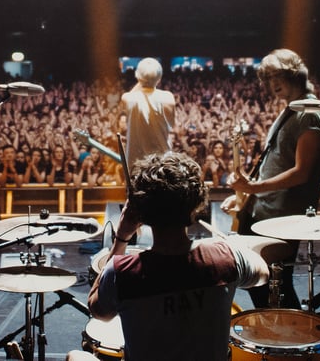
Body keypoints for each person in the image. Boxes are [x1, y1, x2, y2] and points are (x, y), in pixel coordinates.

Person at [68, 151, 269, 361]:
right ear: (196, 206)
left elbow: (99, 311)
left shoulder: (122, 271)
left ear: (140, 211)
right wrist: (231, 245)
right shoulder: (226, 257)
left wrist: (122, 237)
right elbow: (263, 274)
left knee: (75, 356)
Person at [222, 47, 320, 309]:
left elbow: (301, 172)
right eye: (268, 79)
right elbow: (276, 161)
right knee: (256, 279)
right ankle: (273, 333)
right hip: (264, 208)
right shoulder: (290, 110)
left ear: (295, 74)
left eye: (277, 76)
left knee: (275, 282)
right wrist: (246, 193)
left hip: (283, 216)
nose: (273, 84)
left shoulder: (310, 114)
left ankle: (289, 337)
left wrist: (255, 186)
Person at [120, 57, 176, 171]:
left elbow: (132, 95)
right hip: (162, 163)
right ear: (159, 78)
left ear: (138, 77)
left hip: (136, 166)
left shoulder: (128, 98)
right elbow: (172, 124)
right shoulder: (168, 97)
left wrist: (142, 80)